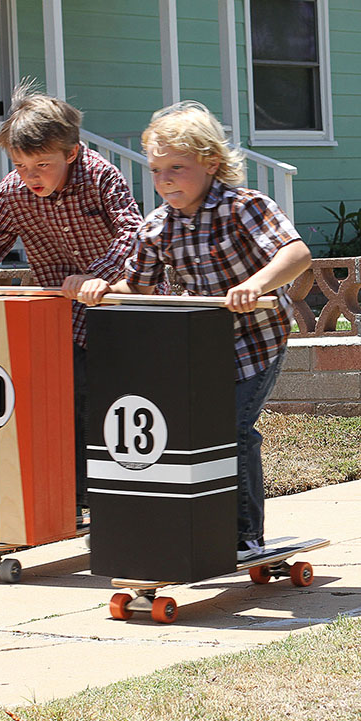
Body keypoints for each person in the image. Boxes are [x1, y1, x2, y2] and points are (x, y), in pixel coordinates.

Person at [85, 101, 311, 561]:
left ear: (210, 163)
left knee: (233, 427)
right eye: (156, 170)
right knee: (191, 432)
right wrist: (101, 289)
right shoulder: (156, 228)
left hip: (257, 338)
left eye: (177, 168)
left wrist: (255, 284)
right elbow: (139, 286)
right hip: (201, 344)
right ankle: (194, 524)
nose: (165, 179)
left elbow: (296, 254)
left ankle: (245, 536)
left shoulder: (244, 207)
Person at [0, 83, 143, 527]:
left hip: (120, 302)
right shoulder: (15, 190)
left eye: (42, 165)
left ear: (71, 153)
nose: (30, 175)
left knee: (118, 397)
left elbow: (134, 234)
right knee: (65, 396)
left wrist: (99, 275)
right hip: (63, 312)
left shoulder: (100, 176)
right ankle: (73, 499)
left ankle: (121, 493)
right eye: (20, 165)